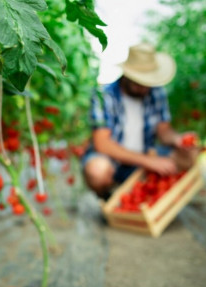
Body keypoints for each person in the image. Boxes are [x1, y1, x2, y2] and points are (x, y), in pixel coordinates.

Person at [82, 43, 198, 199]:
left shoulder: (156, 93)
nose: (144, 88)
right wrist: (149, 161)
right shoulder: (104, 96)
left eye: (148, 83)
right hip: (114, 162)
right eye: (139, 83)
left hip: (145, 157)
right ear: (127, 75)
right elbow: (102, 144)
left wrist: (177, 139)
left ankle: (149, 194)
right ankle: (108, 198)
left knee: (191, 155)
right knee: (97, 170)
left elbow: (164, 131)